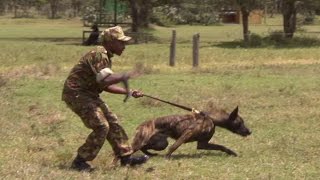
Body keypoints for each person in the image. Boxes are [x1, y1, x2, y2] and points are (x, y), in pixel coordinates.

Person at [62, 26, 148, 171]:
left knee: (113, 122)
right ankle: (80, 161)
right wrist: (124, 75)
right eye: (121, 42)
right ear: (111, 41)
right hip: (76, 94)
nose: (124, 46)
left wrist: (128, 91)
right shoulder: (99, 54)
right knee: (102, 126)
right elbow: (106, 80)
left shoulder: (105, 57)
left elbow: (104, 85)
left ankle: (126, 158)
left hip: (89, 94)